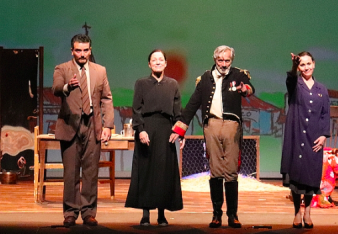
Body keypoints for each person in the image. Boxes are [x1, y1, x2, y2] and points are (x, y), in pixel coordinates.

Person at [172, 45, 254, 228]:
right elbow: (193, 103)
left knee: (231, 170)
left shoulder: (238, 75)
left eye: (227, 60)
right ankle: (216, 214)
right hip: (212, 125)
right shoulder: (205, 79)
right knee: (215, 170)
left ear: (231, 61)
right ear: (214, 59)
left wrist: (244, 89)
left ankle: (232, 214)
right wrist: (180, 129)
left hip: (232, 125)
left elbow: (250, 89)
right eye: (220, 60)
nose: (224, 64)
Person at [52, 34, 114, 228]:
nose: (82, 54)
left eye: (86, 50)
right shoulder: (62, 69)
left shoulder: (99, 71)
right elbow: (55, 88)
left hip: (92, 126)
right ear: (72, 51)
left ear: (90, 50)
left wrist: (108, 126)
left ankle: (88, 212)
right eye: (78, 50)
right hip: (70, 126)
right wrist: (66, 87)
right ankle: (70, 212)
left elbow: (106, 99)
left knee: (90, 172)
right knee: (71, 173)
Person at [125, 49, 184, 226]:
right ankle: (145, 213)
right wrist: (140, 130)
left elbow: (177, 113)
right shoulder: (141, 83)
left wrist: (179, 133)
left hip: (166, 130)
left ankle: (161, 213)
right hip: (147, 128)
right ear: (149, 64)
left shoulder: (172, 84)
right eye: (154, 60)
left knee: (163, 172)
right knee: (146, 170)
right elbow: (136, 110)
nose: (158, 62)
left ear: (165, 63)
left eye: (161, 60)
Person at [280, 52, 330, 229]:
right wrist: (294, 64)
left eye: (308, 64)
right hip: (296, 136)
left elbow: (325, 114)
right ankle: (297, 212)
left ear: (314, 64)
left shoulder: (321, 89)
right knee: (296, 177)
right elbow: (291, 78)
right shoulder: (295, 84)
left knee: (310, 176)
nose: (306, 67)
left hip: (313, 137)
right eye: (302, 65)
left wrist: (324, 135)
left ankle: (308, 211)